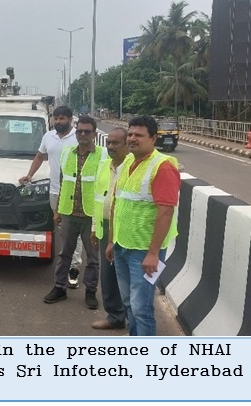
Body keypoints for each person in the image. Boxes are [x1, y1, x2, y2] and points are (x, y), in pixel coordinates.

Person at [106, 115, 180, 336]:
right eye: (130, 134)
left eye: (139, 135)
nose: (132, 139)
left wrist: (153, 253)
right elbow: (117, 203)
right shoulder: (127, 162)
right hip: (121, 245)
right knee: (129, 302)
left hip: (144, 252)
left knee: (141, 307)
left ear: (154, 138)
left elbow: (166, 211)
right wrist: (111, 240)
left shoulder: (162, 166)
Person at [43, 116, 106, 307]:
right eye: (79, 131)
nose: (83, 134)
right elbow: (63, 182)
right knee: (64, 254)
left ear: (94, 134)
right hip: (69, 212)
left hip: (91, 215)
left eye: (87, 131)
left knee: (93, 258)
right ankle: (59, 288)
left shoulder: (103, 155)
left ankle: (90, 291)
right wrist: (58, 211)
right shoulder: (67, 153)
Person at [20, 105, 83, 288]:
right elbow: (40, 156)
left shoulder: (78, 137)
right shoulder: (48, 136)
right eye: (56, 118)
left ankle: (74, 268)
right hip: (55, 191)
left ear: (70, 120)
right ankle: (65, 264)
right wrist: (30, 175)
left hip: (75, 192)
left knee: (74, 231)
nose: (58, 121)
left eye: (62, 118)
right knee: (62, 229)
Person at [90, 128, 129, 329]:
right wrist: (94, 228)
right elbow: (98, 198)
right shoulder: (104, 165)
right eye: (109, 143)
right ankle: (115, 316)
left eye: (116, 143)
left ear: (127, 145)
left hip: (126, 227)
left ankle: (133, 318)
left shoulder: (132, 167)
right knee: (108, 275)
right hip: (105, 226)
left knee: (128, 276)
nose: (111, 147)